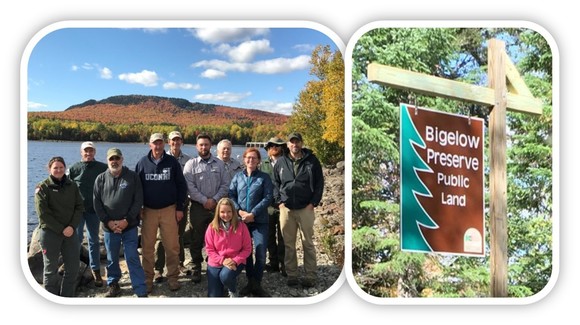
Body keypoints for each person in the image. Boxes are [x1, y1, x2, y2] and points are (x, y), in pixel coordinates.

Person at [135, 133, 188, 293]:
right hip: (149, 211)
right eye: (154, 143)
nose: (157, 146)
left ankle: (173, 278)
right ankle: (147, 279)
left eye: (160, 143)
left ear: (164, 144)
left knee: (172, 246)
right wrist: (139, 208)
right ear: (149, 144)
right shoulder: (142, 163)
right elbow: (136, 189)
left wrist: (179, 207)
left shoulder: (172, 162)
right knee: (147, 247)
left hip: (169, 210)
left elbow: (181, 186)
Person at [93, 148, 148, 297]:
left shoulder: (132, 177)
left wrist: (126, 220)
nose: (114, 161)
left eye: (117, 158)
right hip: (109, 228)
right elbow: (97, 204)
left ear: (122, 160)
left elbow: (138, 200)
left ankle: (140, 288)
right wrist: (109, 222)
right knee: (111, 258)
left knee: (132, 256)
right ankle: (113, 284)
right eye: (111, 159)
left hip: (129, 226)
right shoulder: (100, 179)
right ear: (107, 160)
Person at [273, 132, 324, 288]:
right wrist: (279, 202)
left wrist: (313, 203)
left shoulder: (312, 161)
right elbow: (275, 183)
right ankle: (292, 274)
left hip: (305, 208)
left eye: (297, 142)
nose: (295, 145)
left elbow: (319, 183)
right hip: (286, 209)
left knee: (307, 243)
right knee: (289, 244)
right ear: (288, 145)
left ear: (302, 143)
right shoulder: (281, 162)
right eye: (292, 142)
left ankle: (310, 275)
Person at [183, 133, 229, 283]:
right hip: (198, 206)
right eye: (201, 145)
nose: (204, 147)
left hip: (217, 207)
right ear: (197, 146)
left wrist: (214, 200)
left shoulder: (220, 164)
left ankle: (214, 264)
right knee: (196, 237)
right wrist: (204, 200)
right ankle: (196, 266)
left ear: (211, 146)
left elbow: (225, 184)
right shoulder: (191, 164)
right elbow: (189, 186)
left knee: (218, 236)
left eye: (206, 144)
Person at [34, 156, 83, 297]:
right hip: (50, 233)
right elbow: (43, 214)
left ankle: (67, 297)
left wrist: (72, 227)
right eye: (55, 167)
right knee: (50, 270)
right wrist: (62, 229)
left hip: (70, 232)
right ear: (49, 169)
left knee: (73, 268)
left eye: (61, 167)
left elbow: (79, 207)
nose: (58, 170)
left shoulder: (72, 185)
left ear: (65, 168)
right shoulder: (42, 187)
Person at [229, 147, 273, 297]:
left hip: (260, 221)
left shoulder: (264, 178)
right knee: (247, 253)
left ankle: (257, 283)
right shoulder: (237, 177)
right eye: (248, 157)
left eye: (254, 158)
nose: (251, 160)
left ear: (259, 161)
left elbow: (268, 198)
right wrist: (240, 211)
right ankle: (250, 281)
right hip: (242, 221)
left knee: (260, 252)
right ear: (244, 159)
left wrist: (253, 213)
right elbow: (231, 195)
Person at [67, 141, 108, 287]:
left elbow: (113, 179)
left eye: (91, 151)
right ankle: (72, 267)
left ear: (94, 152)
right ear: (81, 152)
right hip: (77, 211)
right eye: (86, 151)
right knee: (75, 240)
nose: (88, 153)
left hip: (93, 211)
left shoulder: (103, 168)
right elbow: (63, 183)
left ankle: (95, 270)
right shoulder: (74, 168)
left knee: (93, 240)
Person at [154, 130, 193, 283]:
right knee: (161, 237)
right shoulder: (162, 158)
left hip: (182, 203)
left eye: (178, 140)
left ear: (181, 142)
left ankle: (180, 263)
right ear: (168, 142)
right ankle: (158, 269)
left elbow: (189, 182)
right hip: (165, 205)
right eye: (173, 140)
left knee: (179, 235)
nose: (176, 143)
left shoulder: (189, 160)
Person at [204, 198, 252, 297]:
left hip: (235, 261)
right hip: (216, 262)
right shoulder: (212, 227)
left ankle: (233, 289)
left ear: (233, 212)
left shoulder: (241, 226)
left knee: (225, 276)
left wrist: (235, 260)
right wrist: (222, 261)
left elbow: (247, 249)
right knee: (214, 297)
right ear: (218, 212)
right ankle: (224, 282)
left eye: (229, 211)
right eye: (222, 212)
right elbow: (209, 250)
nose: (226, 215)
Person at [259, 137, 287, 276]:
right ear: (267, 149)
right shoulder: (262, 164)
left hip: (284, 205)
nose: (273, 147)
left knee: (283, 236)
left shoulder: (287, 162)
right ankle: (273, 262)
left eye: (277, 145)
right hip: (267, 206)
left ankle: (284, 264)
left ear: (282, 147)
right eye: (270, 145)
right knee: (269, 236)